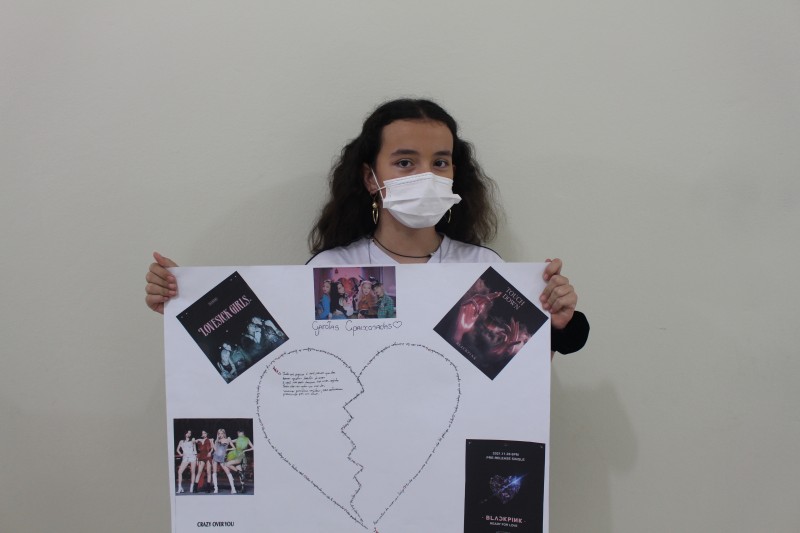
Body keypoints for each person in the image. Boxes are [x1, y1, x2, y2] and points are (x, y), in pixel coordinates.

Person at [145, 98, 589, 355]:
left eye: (440, 162)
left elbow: (512, 361)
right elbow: (280, 355)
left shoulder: (481, 268)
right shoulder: (333, 268)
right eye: (404, 162)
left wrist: (560, 322)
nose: (426, 175)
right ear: (370, 177)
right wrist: (183, 300)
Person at [212, 429, 237, 494]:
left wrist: (227, 449)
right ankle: (216, 488)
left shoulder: (227, 439)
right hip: (215, 456)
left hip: (222, 458)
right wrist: (213, 443)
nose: (220, 435)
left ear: (224, 433)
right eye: (219, 433)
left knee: (228, 472)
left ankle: (233, 488)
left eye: (221, 433)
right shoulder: (217, 440)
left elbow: (234, 448)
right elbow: (215, 449)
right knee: (214, 472)